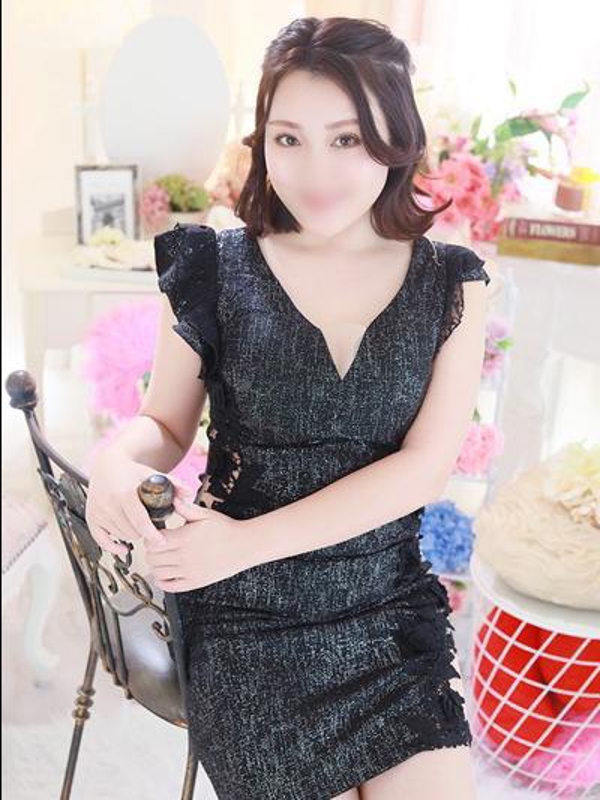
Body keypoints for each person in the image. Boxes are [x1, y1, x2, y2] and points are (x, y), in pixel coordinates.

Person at [86, 16, 490, 800]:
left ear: (397, 136)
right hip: (246, 618)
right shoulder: (214, 265)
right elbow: (164, 424)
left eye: (347, 139)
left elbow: (423, 470)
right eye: (288, 138)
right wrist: (116, 460)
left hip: (383, 609)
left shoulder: (451, 282)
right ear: (262, 142)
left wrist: (246, 542)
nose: (315, 171)